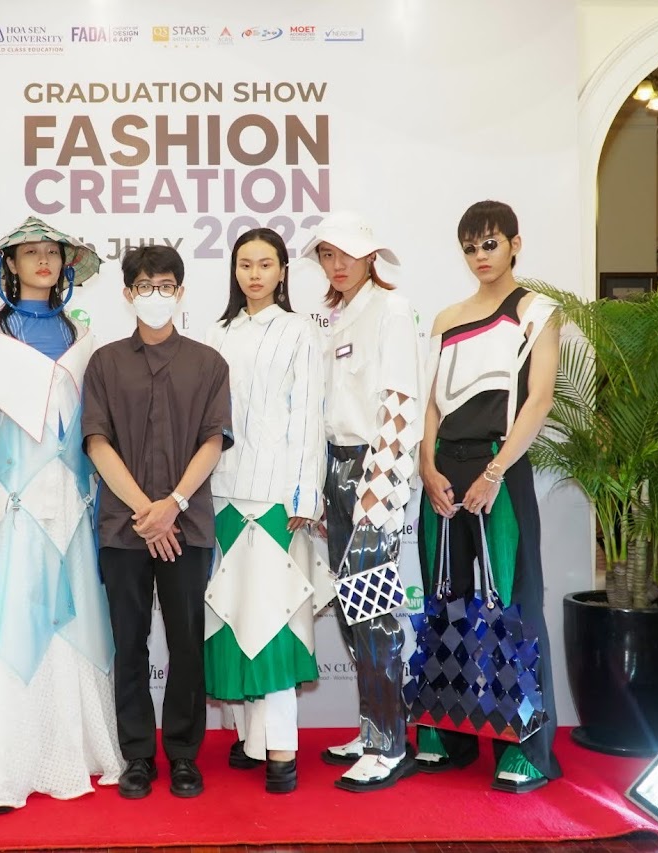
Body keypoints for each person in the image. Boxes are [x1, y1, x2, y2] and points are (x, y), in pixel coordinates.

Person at [0, 217, 123, 813]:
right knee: (13, 612)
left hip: (71, 497)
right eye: (31, 253)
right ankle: (7, 765)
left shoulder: (82, 336)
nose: (43, 261)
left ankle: (73, 752)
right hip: (10, 495)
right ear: (11, 265)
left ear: (66, 265)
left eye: (52, 252)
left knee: (73, 616)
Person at [418, 199, 562, 793]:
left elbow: (540, 399)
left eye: (491, 244)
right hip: (443, 473)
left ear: (514, 244)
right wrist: (426, 466)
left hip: (500, 468)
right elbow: (430, 403)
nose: (480, 256)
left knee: (512, 605)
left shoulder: (536, 311)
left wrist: (496, 471)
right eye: (471, 247)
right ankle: (445, 735)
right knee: (444, 601)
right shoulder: (446, 318)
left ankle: (525, 747)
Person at [82, 244, 232, 800]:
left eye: (166, 286)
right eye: (145, 286)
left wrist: (173, 504)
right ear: (128, 294)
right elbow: (96, 442)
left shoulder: (208, 363)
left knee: (187, 642)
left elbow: (213, 441)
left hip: (187, 528)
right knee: (130, 642)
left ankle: (185, 755)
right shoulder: (105, 363)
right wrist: (147, 511)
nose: (155, 296)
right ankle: (138, 755)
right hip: (123, 530)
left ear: (181, 292)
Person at [202, 228, 326, 794]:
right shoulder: (216, 334)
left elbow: (308, 417)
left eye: (265, 264)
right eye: (245, 264)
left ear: (282, 272)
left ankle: (281, 746)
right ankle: (250, 737)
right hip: (221, 492)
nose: (254, 274)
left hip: (277, 496)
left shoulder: (300, 331)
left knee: (273, 618)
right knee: (233, 615)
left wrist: (305, 495)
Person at [302, 212, 422, 792]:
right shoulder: (333, 316)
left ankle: (388, 744)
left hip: (376, 469)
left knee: (372, 611)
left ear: (372, 255)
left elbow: (400, 404)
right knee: (353, 612)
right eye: (327, 255)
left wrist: (377, 492)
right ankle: (373, 726)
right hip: (336, 469)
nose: (337, 264)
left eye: (347, 253)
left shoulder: (391, 309)